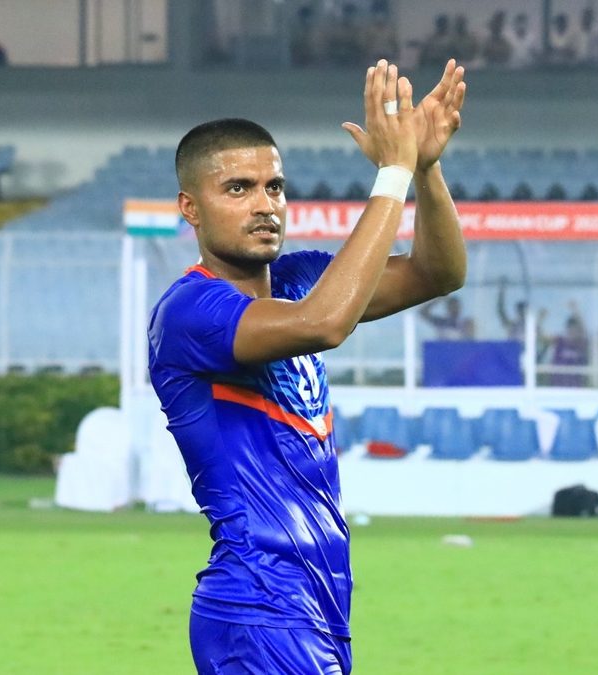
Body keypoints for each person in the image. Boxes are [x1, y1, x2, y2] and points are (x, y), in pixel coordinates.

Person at [148, 58, 467, 674]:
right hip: (259, 603)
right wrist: (393, 172)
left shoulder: (299, 280)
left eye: (274, 187)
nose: (264, 205)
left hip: (315, 606)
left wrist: (425, 169)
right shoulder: (191, 311)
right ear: (191, 207)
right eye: (238, 189)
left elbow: (438, 273)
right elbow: (325, 324)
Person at [544, 302, 589, 387]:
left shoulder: (580, 344)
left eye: (576, 329)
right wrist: (541, 318)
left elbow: (584, 330)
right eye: (571, 329)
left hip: (576, 388)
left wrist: (576, 310)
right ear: (567, 329)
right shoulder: (559, 341)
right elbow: (541, 337)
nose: (573, 332)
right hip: (558, 387)